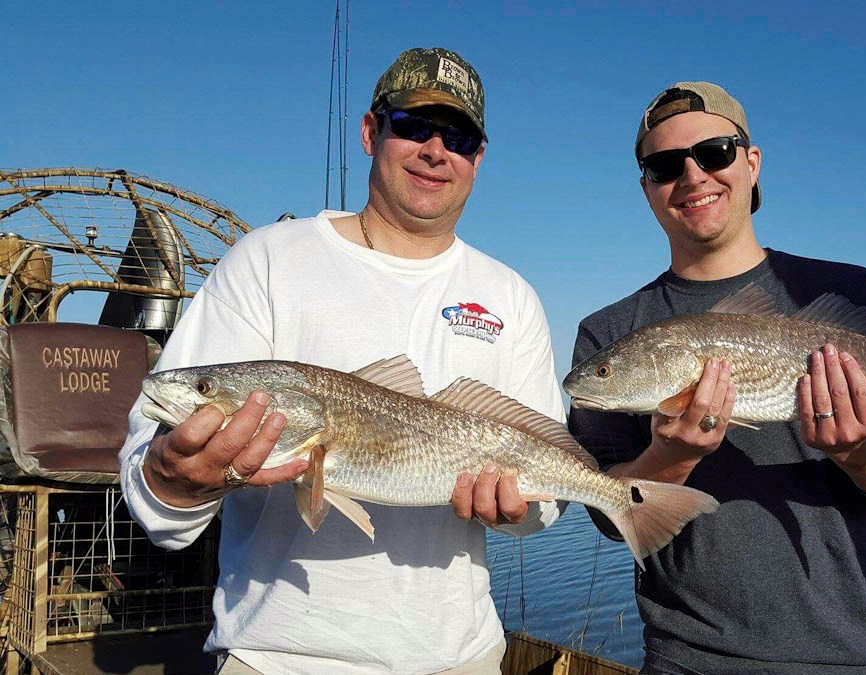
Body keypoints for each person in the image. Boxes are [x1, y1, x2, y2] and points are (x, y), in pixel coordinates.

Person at [119, 47, 566, 675]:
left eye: (458, 136)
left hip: (460, 657)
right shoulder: (267, 259)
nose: (436, 150)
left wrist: (522, 509)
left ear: (478, 158)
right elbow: (154, 499)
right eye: (413, 125)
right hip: (277, 658)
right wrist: (175, 481)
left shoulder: (511, 296)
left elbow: (544, 508)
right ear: (370, 132)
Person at [568, 82, 866, 674]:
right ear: (646, 188)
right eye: (665, 165)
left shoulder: (850, 291)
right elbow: (603, 512)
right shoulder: (609, 330)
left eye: (715, 152)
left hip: (861, 657)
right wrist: (668, 458)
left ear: (751, 162)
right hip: (685, 660)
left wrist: (861, 452)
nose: (693, 176)